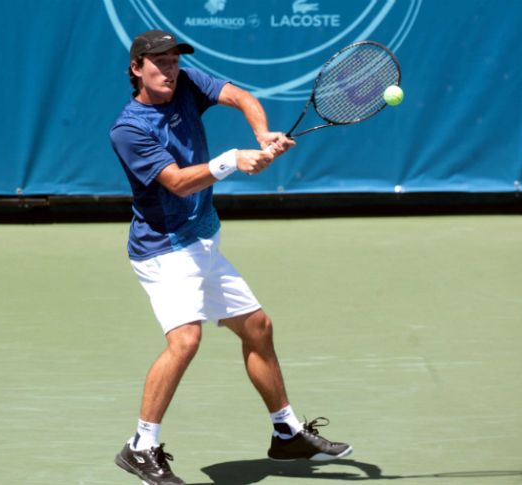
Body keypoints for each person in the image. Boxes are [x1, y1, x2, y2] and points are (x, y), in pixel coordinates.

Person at [109, 30, 352, 485]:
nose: (170, 69)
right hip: (164, 250)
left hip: (203, 239)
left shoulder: (186, 82)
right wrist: (232, 161)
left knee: (257, 327)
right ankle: (140, 447)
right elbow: (177, 183)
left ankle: (286, 432)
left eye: (174, 60)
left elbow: (240, 96)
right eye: (159, 62)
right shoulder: (129, 129)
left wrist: (262, 133)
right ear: (136, 69)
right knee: (185, 341)